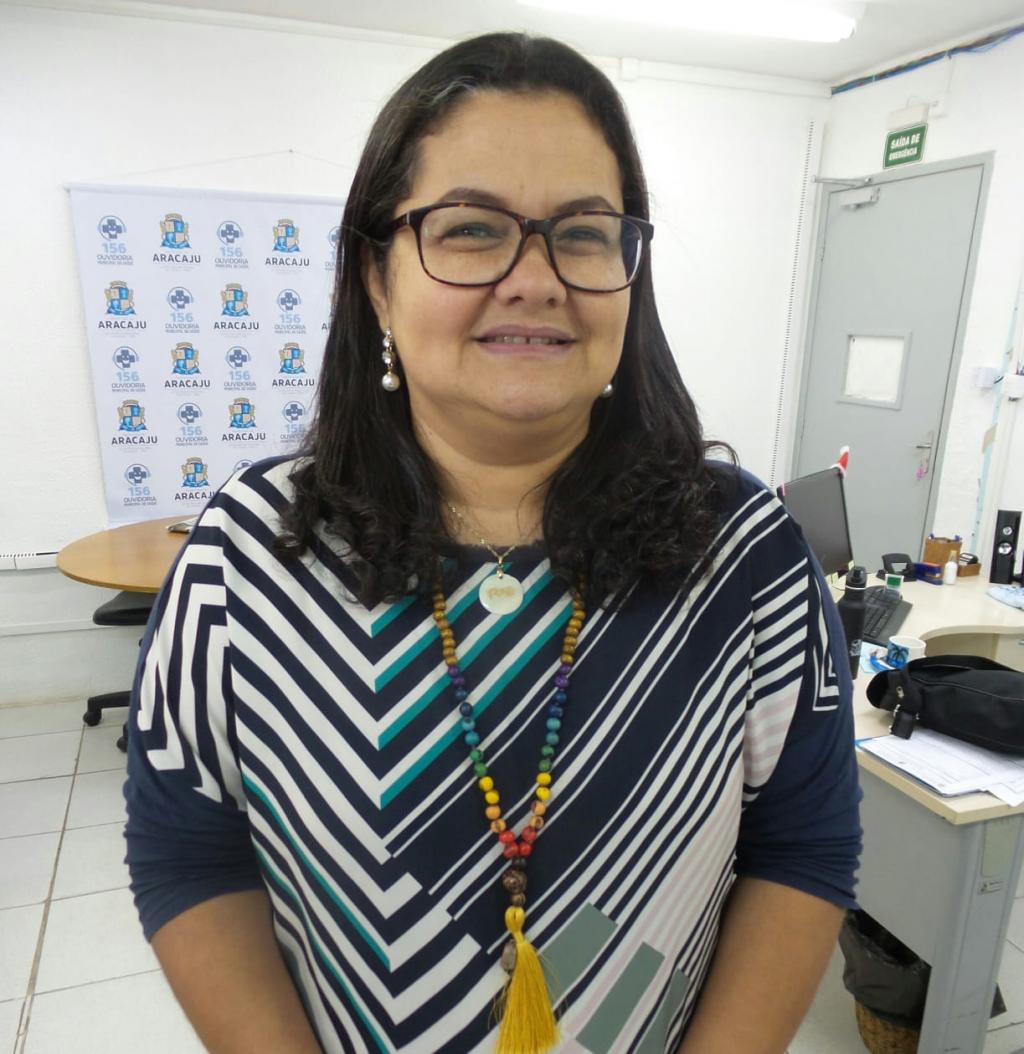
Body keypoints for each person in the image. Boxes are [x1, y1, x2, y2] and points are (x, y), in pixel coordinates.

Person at [123, 32, 861, 1054]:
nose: (535, 278)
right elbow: (189, 851)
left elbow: (802, 847)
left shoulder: (746, 553)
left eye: (584, 233)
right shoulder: (246, 552)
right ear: (375, 278)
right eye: (472, 229)